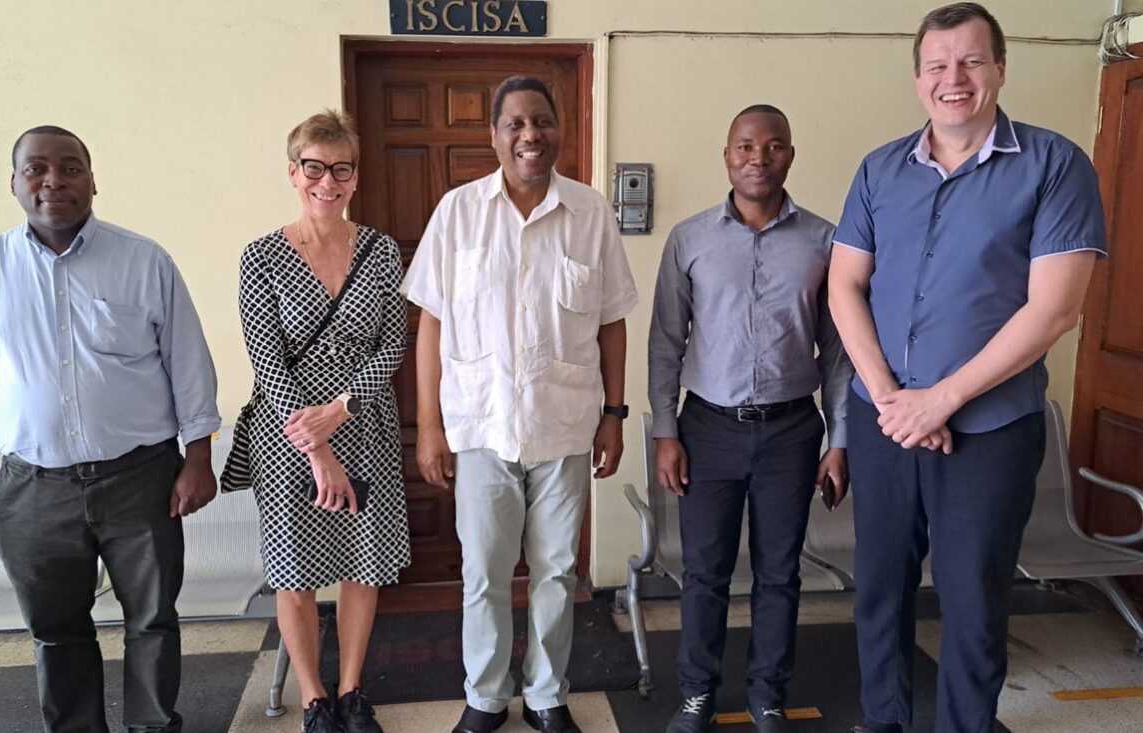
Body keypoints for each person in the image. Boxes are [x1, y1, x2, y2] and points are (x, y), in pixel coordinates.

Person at [828, 4, 1106, 732]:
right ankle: (884, 721)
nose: (954, 78)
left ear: (1001, 70)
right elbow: (843, 285)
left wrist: (939, 401)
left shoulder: (1055, 165)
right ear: (918, 78)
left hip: (989, 428)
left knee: (973, 600)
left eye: (972, 61)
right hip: (882, 416)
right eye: (937, 65)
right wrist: (893, 399)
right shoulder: (879, 169)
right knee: (880, 591)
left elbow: (1053, 312)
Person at [0, 126, 220, 733]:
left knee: (152, 619)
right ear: (14, 183)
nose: (53, 182)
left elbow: (189, 364)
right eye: (36, 169)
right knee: (56, 629)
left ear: (93, 181)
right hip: (31, 489)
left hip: (141, 478)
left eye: (70, 169)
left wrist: (197, 458)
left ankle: (152, 726)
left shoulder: (144, 261)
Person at [402, 76, 637, 733]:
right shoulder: (459, 212)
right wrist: (429, 429)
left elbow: (613, 320)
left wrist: (615, 415)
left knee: (559, 572)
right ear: (496, 135)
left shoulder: (590, 213)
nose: (530, 135)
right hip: (480, 426)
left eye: (541, 121)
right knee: (484, 573)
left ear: (559, 129)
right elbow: (432, 324)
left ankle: (544, 695)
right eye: (515, 124)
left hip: (565, 426)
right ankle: (484, 695)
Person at [649, 105, 852, 733]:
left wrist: (839, 438)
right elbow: (665, 341)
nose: (757, 158)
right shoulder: (689, 238)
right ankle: (696, 693)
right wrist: (665, 431)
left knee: (778, 572)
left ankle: (768, 693)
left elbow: (840, 350)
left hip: (792, 430)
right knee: (704, 572)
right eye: (745, 146)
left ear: (790, 154)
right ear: (727, 155)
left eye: (772, 147)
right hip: (707, 428)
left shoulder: (825, 241)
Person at [237, 109, 409, 733]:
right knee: (295, 567)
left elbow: (394, 344)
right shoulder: (261, 257)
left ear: (355, 177)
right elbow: (268, 361)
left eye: (340, 170)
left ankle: (353, 690)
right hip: (289, 429)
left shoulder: (382, 250)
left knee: (367, 561)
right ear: (293, 172)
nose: (327, 182)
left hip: (364, 424)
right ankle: (314, 698)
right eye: (314, 168)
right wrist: (318, 448)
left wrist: (341, 409)